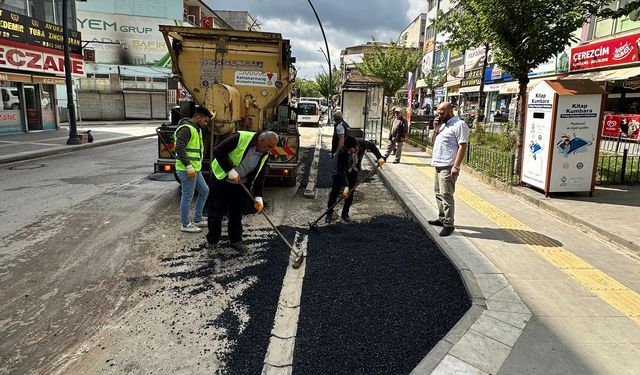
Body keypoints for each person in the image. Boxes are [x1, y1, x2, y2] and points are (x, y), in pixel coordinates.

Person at [207, 130, 279, 253]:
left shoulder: (265, 153)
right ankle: (213, 242)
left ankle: (236, 241)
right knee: (216, 211)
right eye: (269, 146)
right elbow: (218, 151)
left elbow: (260, 175)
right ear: (261, 140)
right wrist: (229, 170)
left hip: (241, 184)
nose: (270, 150)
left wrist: (258, 197)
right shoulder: (240, 137)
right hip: (221, 180)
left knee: (236, 213)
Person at [428, 101, 469, 237]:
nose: (438, 115)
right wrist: (435, 128)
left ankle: (449, 224)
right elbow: (432, 142)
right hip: (438, 164)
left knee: (446, 195)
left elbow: (463, 146)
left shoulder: (459, 125)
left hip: (448, 166)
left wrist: (456, 166)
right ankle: (442, 218)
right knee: (438, 192)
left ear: (450, 111)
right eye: (438, 112)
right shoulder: (443, 125)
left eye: (441, 112)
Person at [326, 136, 385, 223]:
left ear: (356, 146)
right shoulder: (342, 152)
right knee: (335, 191)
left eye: (350, 150)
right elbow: (341, 171)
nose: (349, 152)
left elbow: (372, 146)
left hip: (354, 169)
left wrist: (379, 157)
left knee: (350, 192)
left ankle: (345, 214)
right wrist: (345, 186)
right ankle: (329, 213)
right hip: (340, 171)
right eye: (347, 150)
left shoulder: (361, 143)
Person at [174, 106, 213, 233]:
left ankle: (197, 219)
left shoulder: (196, 129)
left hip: (195, 169)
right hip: (187, 170)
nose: (206, 123)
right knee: (187, 197)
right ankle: (185, 224)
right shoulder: (186, 129)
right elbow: (179, 148)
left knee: (204, 191)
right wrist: (188, 165)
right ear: (198, 117)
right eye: (205, 120)